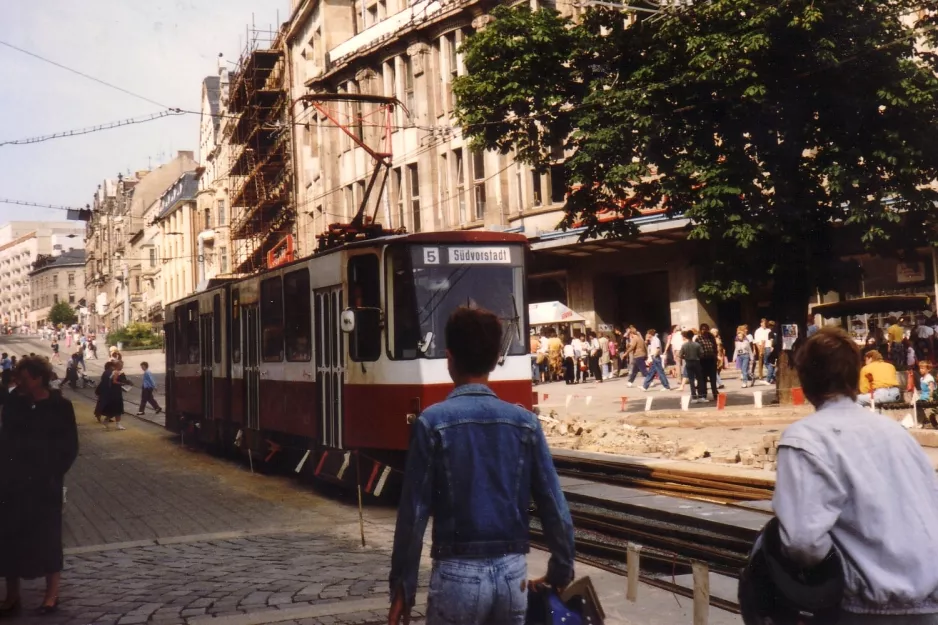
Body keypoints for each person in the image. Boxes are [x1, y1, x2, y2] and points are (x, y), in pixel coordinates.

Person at [389, 308, 575, 625]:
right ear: (494, 360)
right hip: (513, 574)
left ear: (449, 358)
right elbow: (555, 508)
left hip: (456, 573)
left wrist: (403, 587)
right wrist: (560, 570)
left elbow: (414, 515)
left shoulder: (431, 423)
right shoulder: (526, 423)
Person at [773, 327, 938, 623]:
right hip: (929, 605)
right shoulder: (896, 433)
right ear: (854, 377)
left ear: (805, 380)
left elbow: (802, 541)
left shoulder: (805, 439)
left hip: (863, 609)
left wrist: (840, 575)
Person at [0, 356, 79, 615]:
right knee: (11, 538)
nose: (18, 383)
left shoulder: (60, 406)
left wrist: (54, 474)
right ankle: (12, 597)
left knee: (48, 538)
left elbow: (69, 446)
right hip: (14, 483)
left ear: (37, 378)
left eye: (23, 378)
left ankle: (51, 596)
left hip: (45, 484)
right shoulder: (14, 403)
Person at [680, 329, 704, 403]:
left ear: (686, 337)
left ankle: (694, 397)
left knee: (691, 380)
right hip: (696, 361)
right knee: (699, 379)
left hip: (688, 362)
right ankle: (701, 396)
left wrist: (685, 357)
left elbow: (680, 355)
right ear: (693, 336)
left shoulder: (684, 345)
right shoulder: (697, 345)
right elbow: (701, 354)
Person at [697, 324, 719, 401]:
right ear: (700, 330)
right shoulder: (698, 338)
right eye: (703, 329)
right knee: (703, 379)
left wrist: (715, 356)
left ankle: (715, 394)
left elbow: (715, 348)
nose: (704, 330)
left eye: (706, 329)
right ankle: (703, 394)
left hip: (711, 360)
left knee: (713, 378)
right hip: (702, 361)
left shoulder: (711, 337)